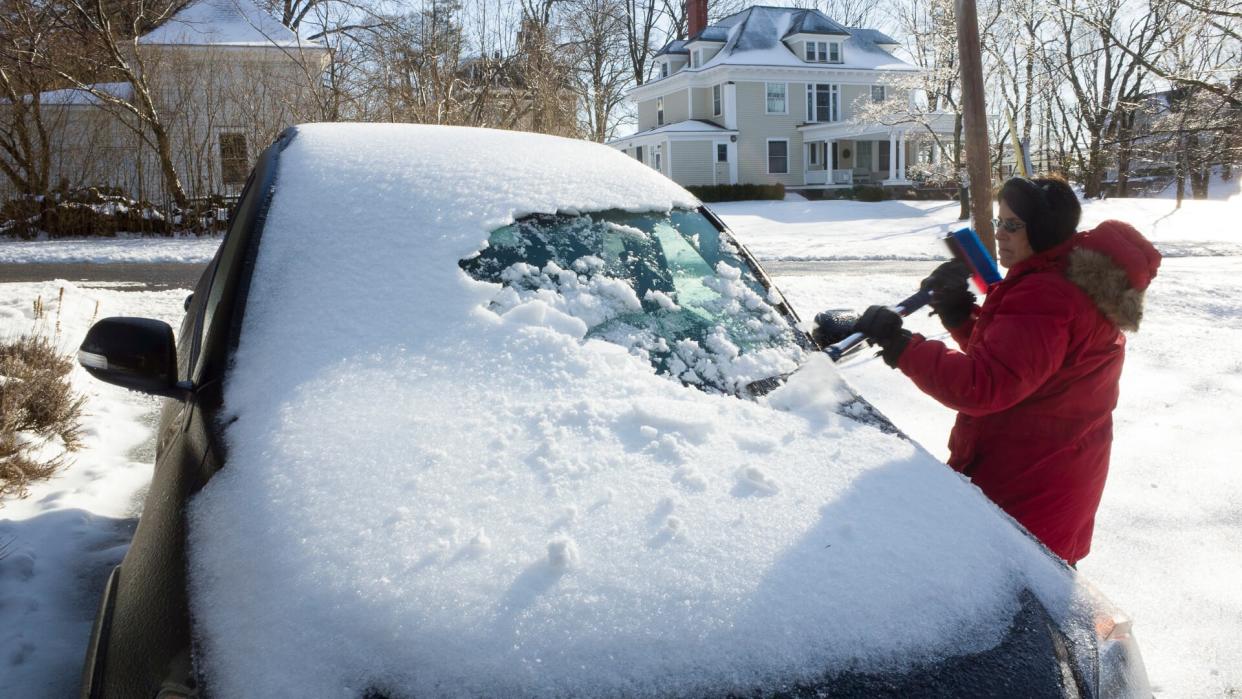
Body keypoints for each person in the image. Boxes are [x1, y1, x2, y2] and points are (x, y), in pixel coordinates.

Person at [840, 176, 1161, 566]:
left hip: (1026, 489)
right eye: (998, 222)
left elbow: (985, 386)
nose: (1000, 234)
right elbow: (1025, 362)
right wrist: (960, 316)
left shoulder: (1047, 293)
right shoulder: (1068, 278)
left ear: (1042, 231)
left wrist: (901, 346)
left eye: (1013, 225)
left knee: (1012, 610)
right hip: (1057, 475)